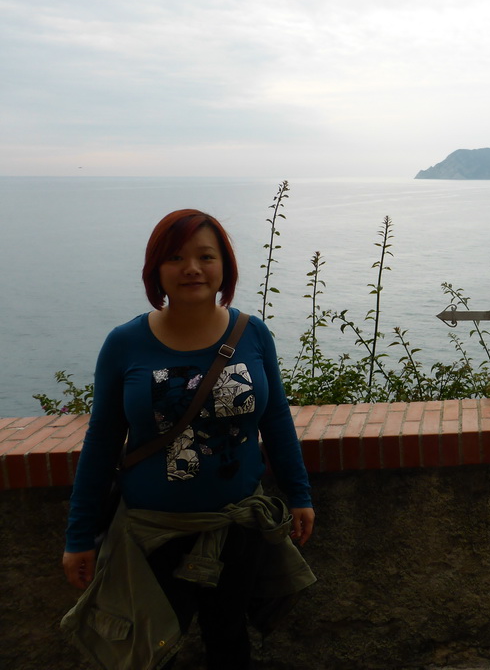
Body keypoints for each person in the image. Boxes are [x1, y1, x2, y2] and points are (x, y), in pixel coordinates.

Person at [61, 209, 315, 670]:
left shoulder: (252, 334)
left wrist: (299, 494)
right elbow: (101, 443)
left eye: (205, 256)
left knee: (230, 640)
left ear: (225, 267)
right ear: (156, 270)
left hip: (236, 527)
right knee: (150, 653)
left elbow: (276, 419)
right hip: (151, 534)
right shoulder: (125, 343)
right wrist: (79, 536)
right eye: (176, 257)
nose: (192, 268)